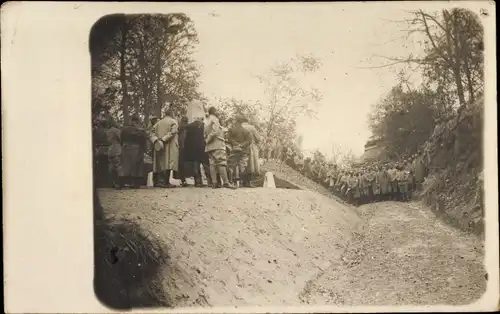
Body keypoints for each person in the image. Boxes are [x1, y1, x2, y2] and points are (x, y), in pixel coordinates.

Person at [204, 107, 236, 189]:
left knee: (212, 164)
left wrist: (206, 140)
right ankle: (225, 182)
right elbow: (215, 131)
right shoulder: (215, 119)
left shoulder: (206, 120)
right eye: (217, 111)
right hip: (218, 144)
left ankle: (214, 183)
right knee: (221, 162)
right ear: (214, 112)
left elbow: (204, 133)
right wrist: (208, 139)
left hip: (209, 146)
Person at [150, 107, 179, 188]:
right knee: (169, 163)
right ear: (171, 113)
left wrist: (156, 140)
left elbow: (151, 133)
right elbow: (173, 132)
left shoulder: (158, 123)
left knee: (160, 163)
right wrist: (164, 139)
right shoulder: (174, 122)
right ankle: (166, 182)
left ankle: (157, 182)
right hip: (170, 145)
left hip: (159, 145)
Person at [120, 115, 149, 189]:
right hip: (137, 148)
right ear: (137, 121)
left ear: (131, 121)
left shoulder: (125, 129)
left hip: (126, 148)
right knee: (136, 166)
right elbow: (144, 140)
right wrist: (145, 150)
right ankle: (135, 183)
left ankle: (125, 182)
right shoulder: (140, 131)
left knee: (126, 165)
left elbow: (121, 139)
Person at [227, 115, 253, 188]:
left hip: (234, 150)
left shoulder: (231, 130)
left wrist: (236, 144)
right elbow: (249, 141)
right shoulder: (246, 131)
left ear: (236, 121)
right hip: (244, 151)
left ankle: (232, 182)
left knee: (231, 165)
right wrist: (241, 145)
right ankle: (242, 182)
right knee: (243, 166)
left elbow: (229, 139)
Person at [241, 117, 261, 185]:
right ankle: (249, 181)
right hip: (250, 146)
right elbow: (258, 138)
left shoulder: (238, 127)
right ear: (247, 121)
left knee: (241, 163)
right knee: (251, 163)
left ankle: (241, 181)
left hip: (241, 146)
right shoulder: (252, 127)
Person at [106, 117, 122, 189]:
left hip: (110, 150)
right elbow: (121, 138)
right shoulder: (116, 130)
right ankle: (118, 183)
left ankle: (112, 182)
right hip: (117, 149)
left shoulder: (108, 131)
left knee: (111, 167)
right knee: (118, 166)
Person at [94, 119, 110, 188]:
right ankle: (107, 182)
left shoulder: (97, 131)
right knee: (106, 166)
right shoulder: (108, 131)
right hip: (108, 149)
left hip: (99, 149)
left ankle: (100, 183)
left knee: (100, 165)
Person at [177, 116, 189, 187]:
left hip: (180, 148)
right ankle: (183, 180)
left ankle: (183, 179)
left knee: (181, 165)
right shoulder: (187, 129)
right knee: (183, 165)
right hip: (184, 148)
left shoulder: (179, 129)